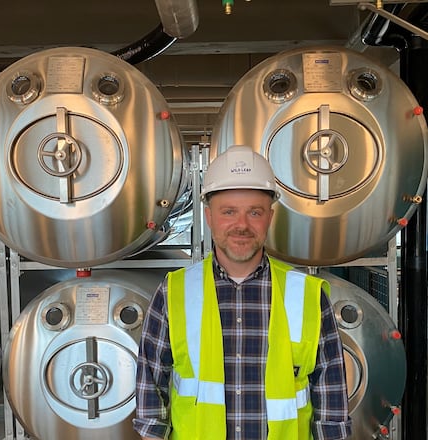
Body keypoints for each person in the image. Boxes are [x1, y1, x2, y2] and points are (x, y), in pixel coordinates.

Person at [133, 145, 351, 439]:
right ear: (209, 218)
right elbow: (151, 386)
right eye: (229, 212)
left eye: (254, 212)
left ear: (270, 218)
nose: (241, 225)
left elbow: (331, 397)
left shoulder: (307, 294)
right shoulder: (175, 291)